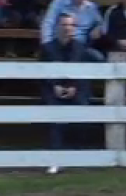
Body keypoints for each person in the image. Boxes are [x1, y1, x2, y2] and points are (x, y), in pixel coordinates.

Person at [40, 14, 94, 174]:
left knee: (82, 110)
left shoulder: (81, 48)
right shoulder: (47, 48)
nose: (67, 28)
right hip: (52, 89)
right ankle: (56, 159)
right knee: (55, 116)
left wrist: (74, 87)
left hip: (76, 89)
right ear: (58, 27)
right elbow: (41, 73)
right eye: (64, 25)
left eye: (71, 25)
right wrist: (55, 85)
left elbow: (86, 72)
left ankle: (76, 154)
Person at [40, 0, 105, 61]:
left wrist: (98, 28)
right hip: (59, 43)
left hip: (81, 45)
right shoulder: (59, 2)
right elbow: (48, 23)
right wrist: (47, 43)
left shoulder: (91, 7)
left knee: (98, 57)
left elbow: (101, 24)